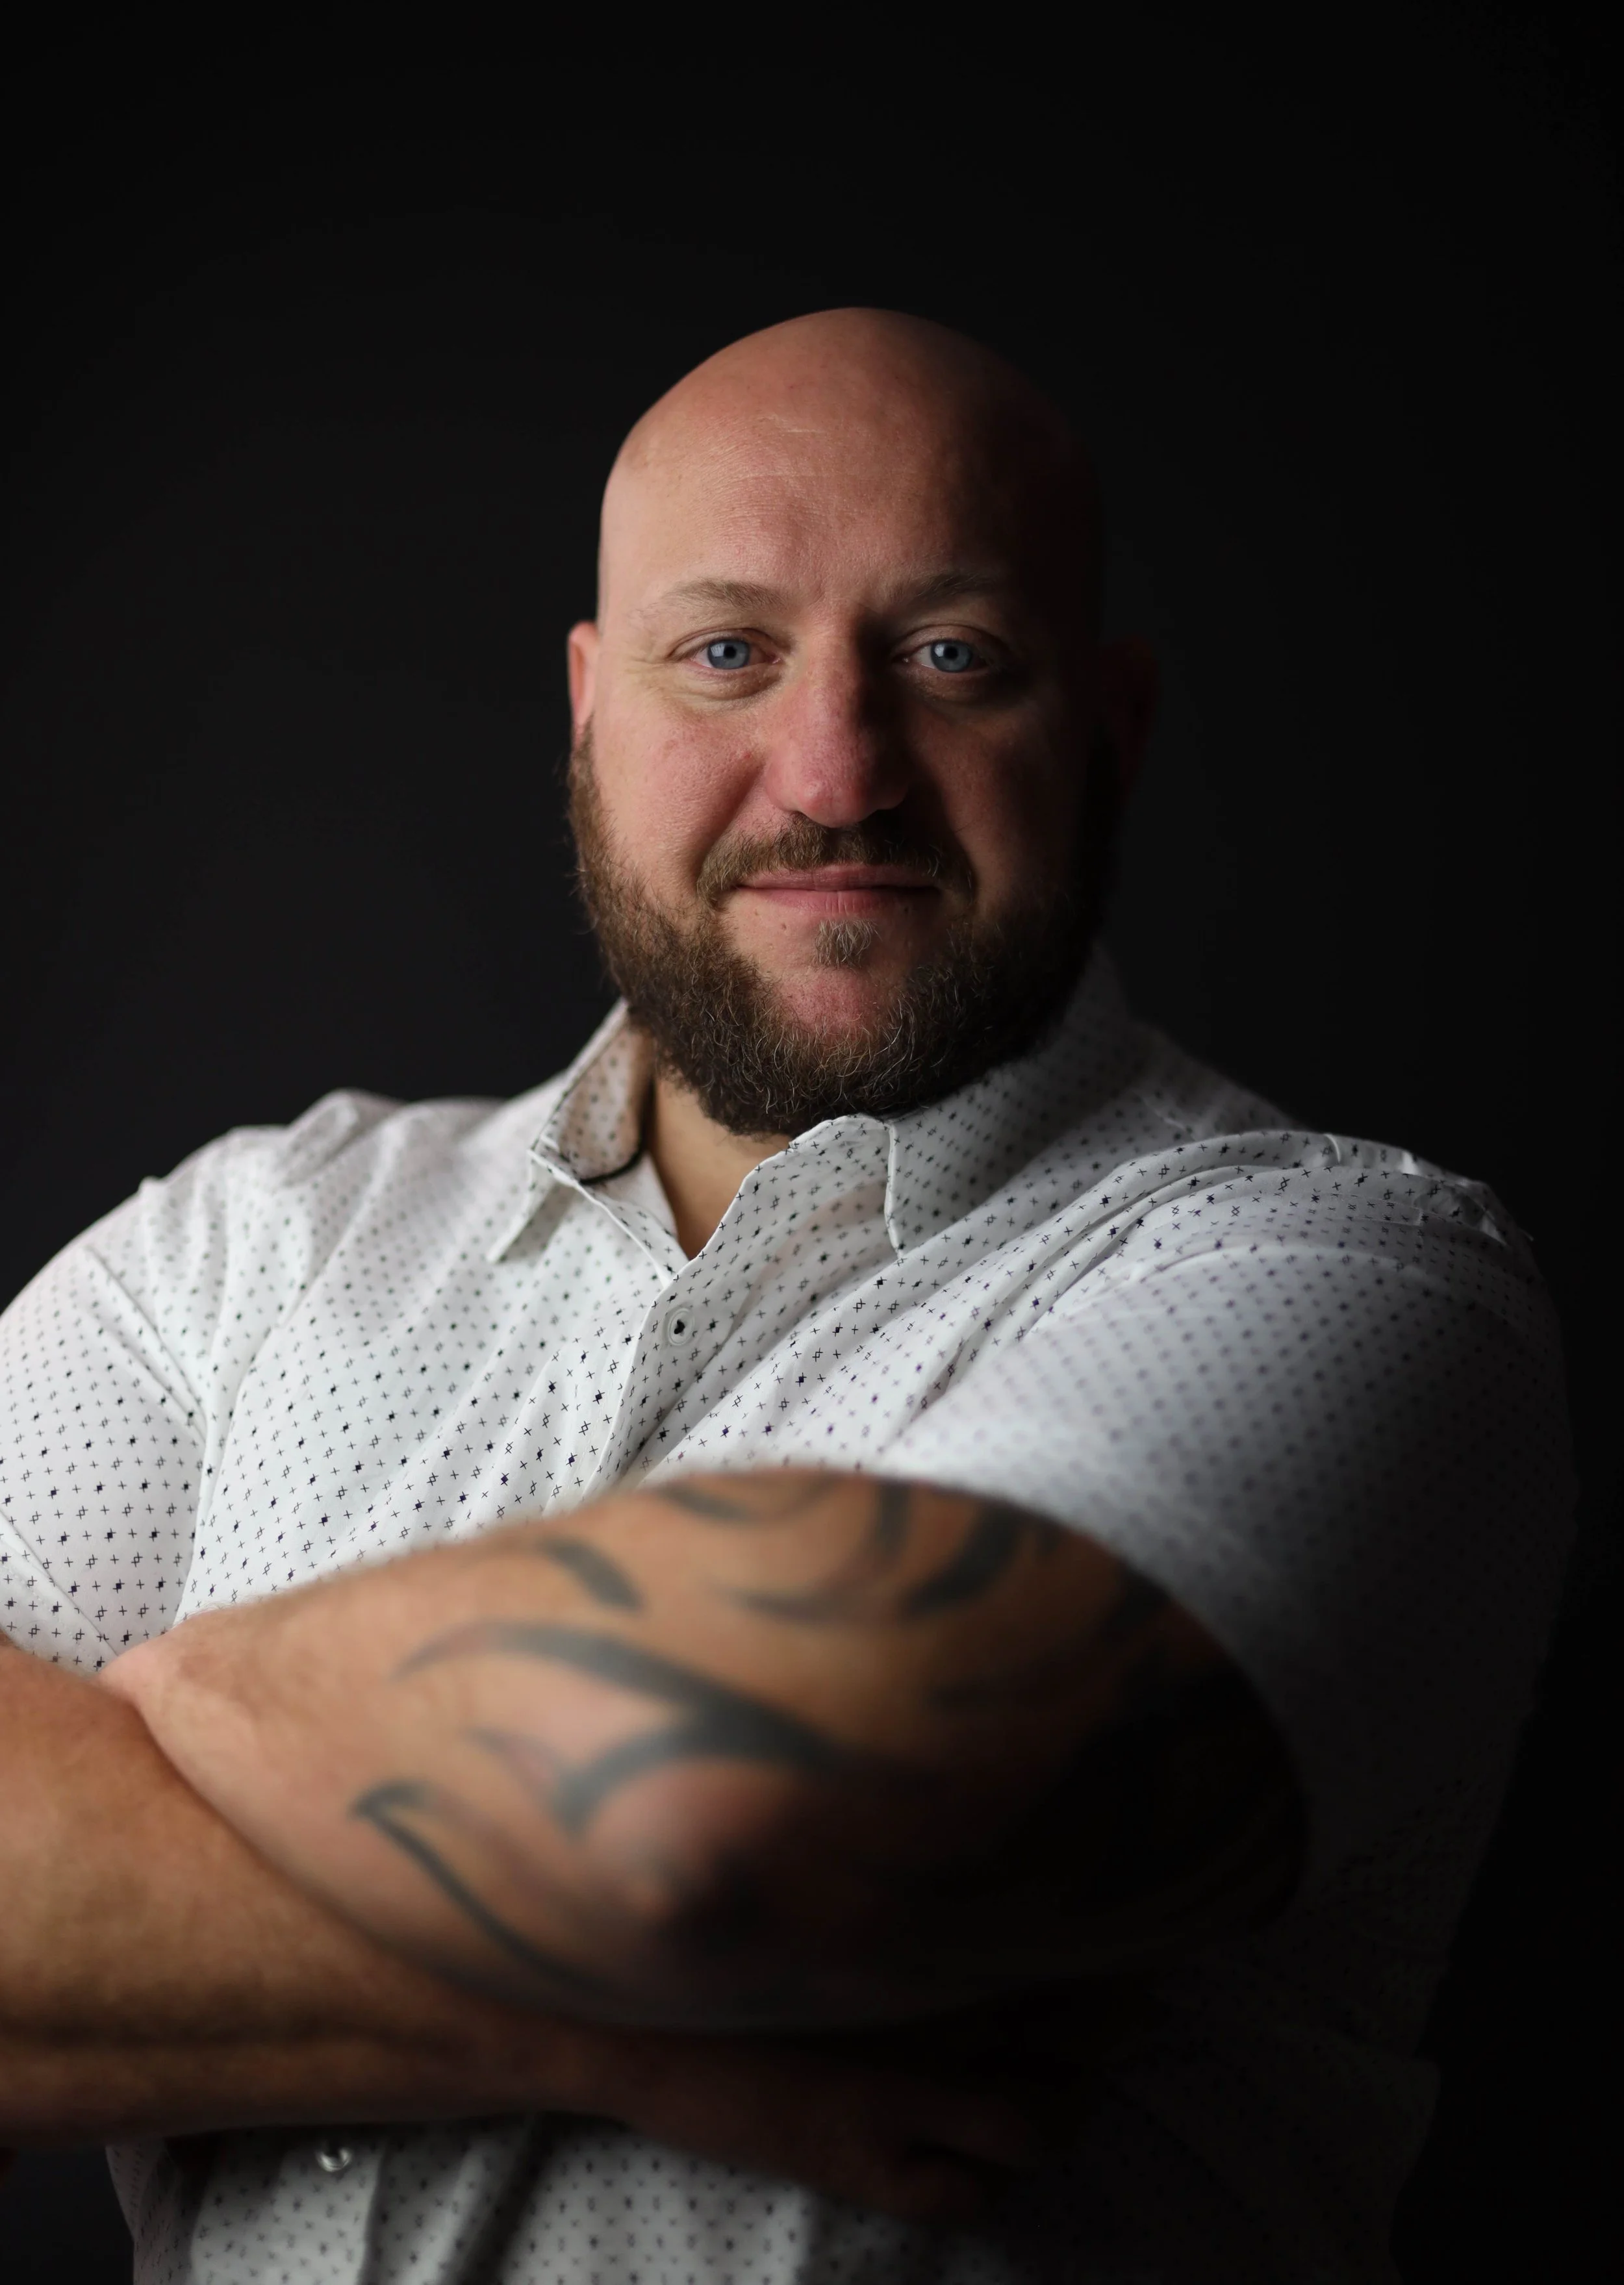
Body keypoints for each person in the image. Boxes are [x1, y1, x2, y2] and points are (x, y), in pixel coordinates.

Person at [0, 309, 1571, 2284]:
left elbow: (747, 1807)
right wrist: (597, 2032)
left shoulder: (1345, 1277)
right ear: (592, 705)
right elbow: (691, 1875)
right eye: (728, 652)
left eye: (952, 656)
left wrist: (177, 1698)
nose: (835, 775)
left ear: (1110, 727)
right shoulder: (261, 1234)